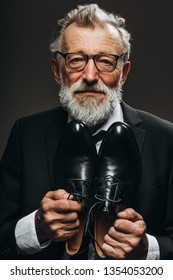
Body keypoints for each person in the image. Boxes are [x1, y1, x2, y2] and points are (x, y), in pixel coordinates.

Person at [0, 3, 173, 260]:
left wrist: (148, 250)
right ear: (57, 71)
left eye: (105, 61)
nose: (90, 76)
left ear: (123, 73)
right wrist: (36, 228)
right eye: (76, 60)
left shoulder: (166, 139)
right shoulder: (26, 134)